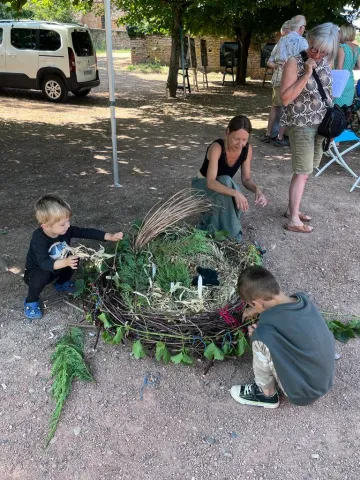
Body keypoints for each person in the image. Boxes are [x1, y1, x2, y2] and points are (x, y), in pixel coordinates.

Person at [230, 266, 335, 408]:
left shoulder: (266, 327)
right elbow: (280, 317)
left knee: (259, 339)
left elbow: (265, 333)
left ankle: (265, 394)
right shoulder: (302, 300)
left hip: (303, 394)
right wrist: (257, 308)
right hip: (325, 380)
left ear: (258, 303)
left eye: (251, 305)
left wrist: (255, 335)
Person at [23, 194, 123, 321]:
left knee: (75, 255)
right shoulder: (39, 238)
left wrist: (110, 236)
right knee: (42, 275)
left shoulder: (66, 230)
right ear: (46, 226)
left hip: (57, 265)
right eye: (63, 224)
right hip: (36, 273)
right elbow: (43, 263)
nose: (68, 226)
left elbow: (86, 232)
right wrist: (65, 262)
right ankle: (31, 301)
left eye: (68, 221)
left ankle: (61, 283)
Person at [280, 23, 339, 233]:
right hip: (302, 125)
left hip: (321, 126)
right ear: (310, 39)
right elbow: (285, 99)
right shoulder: (294, 62)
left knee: (307, 171)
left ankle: (292, 209)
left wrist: (332, 130)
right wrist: (305, 74)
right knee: (302, 171)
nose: (318, 54)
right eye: (315, 48)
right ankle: (293, 219)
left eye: (324, 51)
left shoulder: (325, 62)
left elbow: (328, 94)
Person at [191, 115, 267, 242]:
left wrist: (258, 190)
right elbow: (210, 182)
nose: (240, 144)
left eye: (244, 139)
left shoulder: (247, 149)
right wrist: (235, 192)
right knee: (226, 182)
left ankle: (221, 229)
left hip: (222, 186)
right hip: (202, 186)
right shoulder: (217, 147)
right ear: (227, 132)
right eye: (237, 139)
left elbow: (246, 179)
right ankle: (230, 233)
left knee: (226, 186)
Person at [263, 15, 308, 146]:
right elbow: (306, 63)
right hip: (293, 79)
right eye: (304, 27)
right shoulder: (302, 42)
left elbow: (269, 62)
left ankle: (268, 133)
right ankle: (281, 137)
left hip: (278, 78)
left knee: (275, 107)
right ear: (301, 28)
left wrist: (278, 66)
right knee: (288, 108)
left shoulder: (281, 41)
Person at [262, 20, 291, 146]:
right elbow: (269, 62)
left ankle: (272, 134)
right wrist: (277, 65)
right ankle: (277, 136)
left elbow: (269, 62)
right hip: (282, 79)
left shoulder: (283, 43)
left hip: (285, 79)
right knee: (282, 108)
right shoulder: (281, 44)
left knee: (279, 108)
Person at [334, 24, 360, 109]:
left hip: (341, 83)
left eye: (340, 32)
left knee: (336, 109)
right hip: (350, 81)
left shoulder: (342, 47)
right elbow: (359, 66)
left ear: (344, 33)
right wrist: (348, 68)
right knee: (345, 110)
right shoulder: (357, 48)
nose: (338, 33)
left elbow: (339, 69)